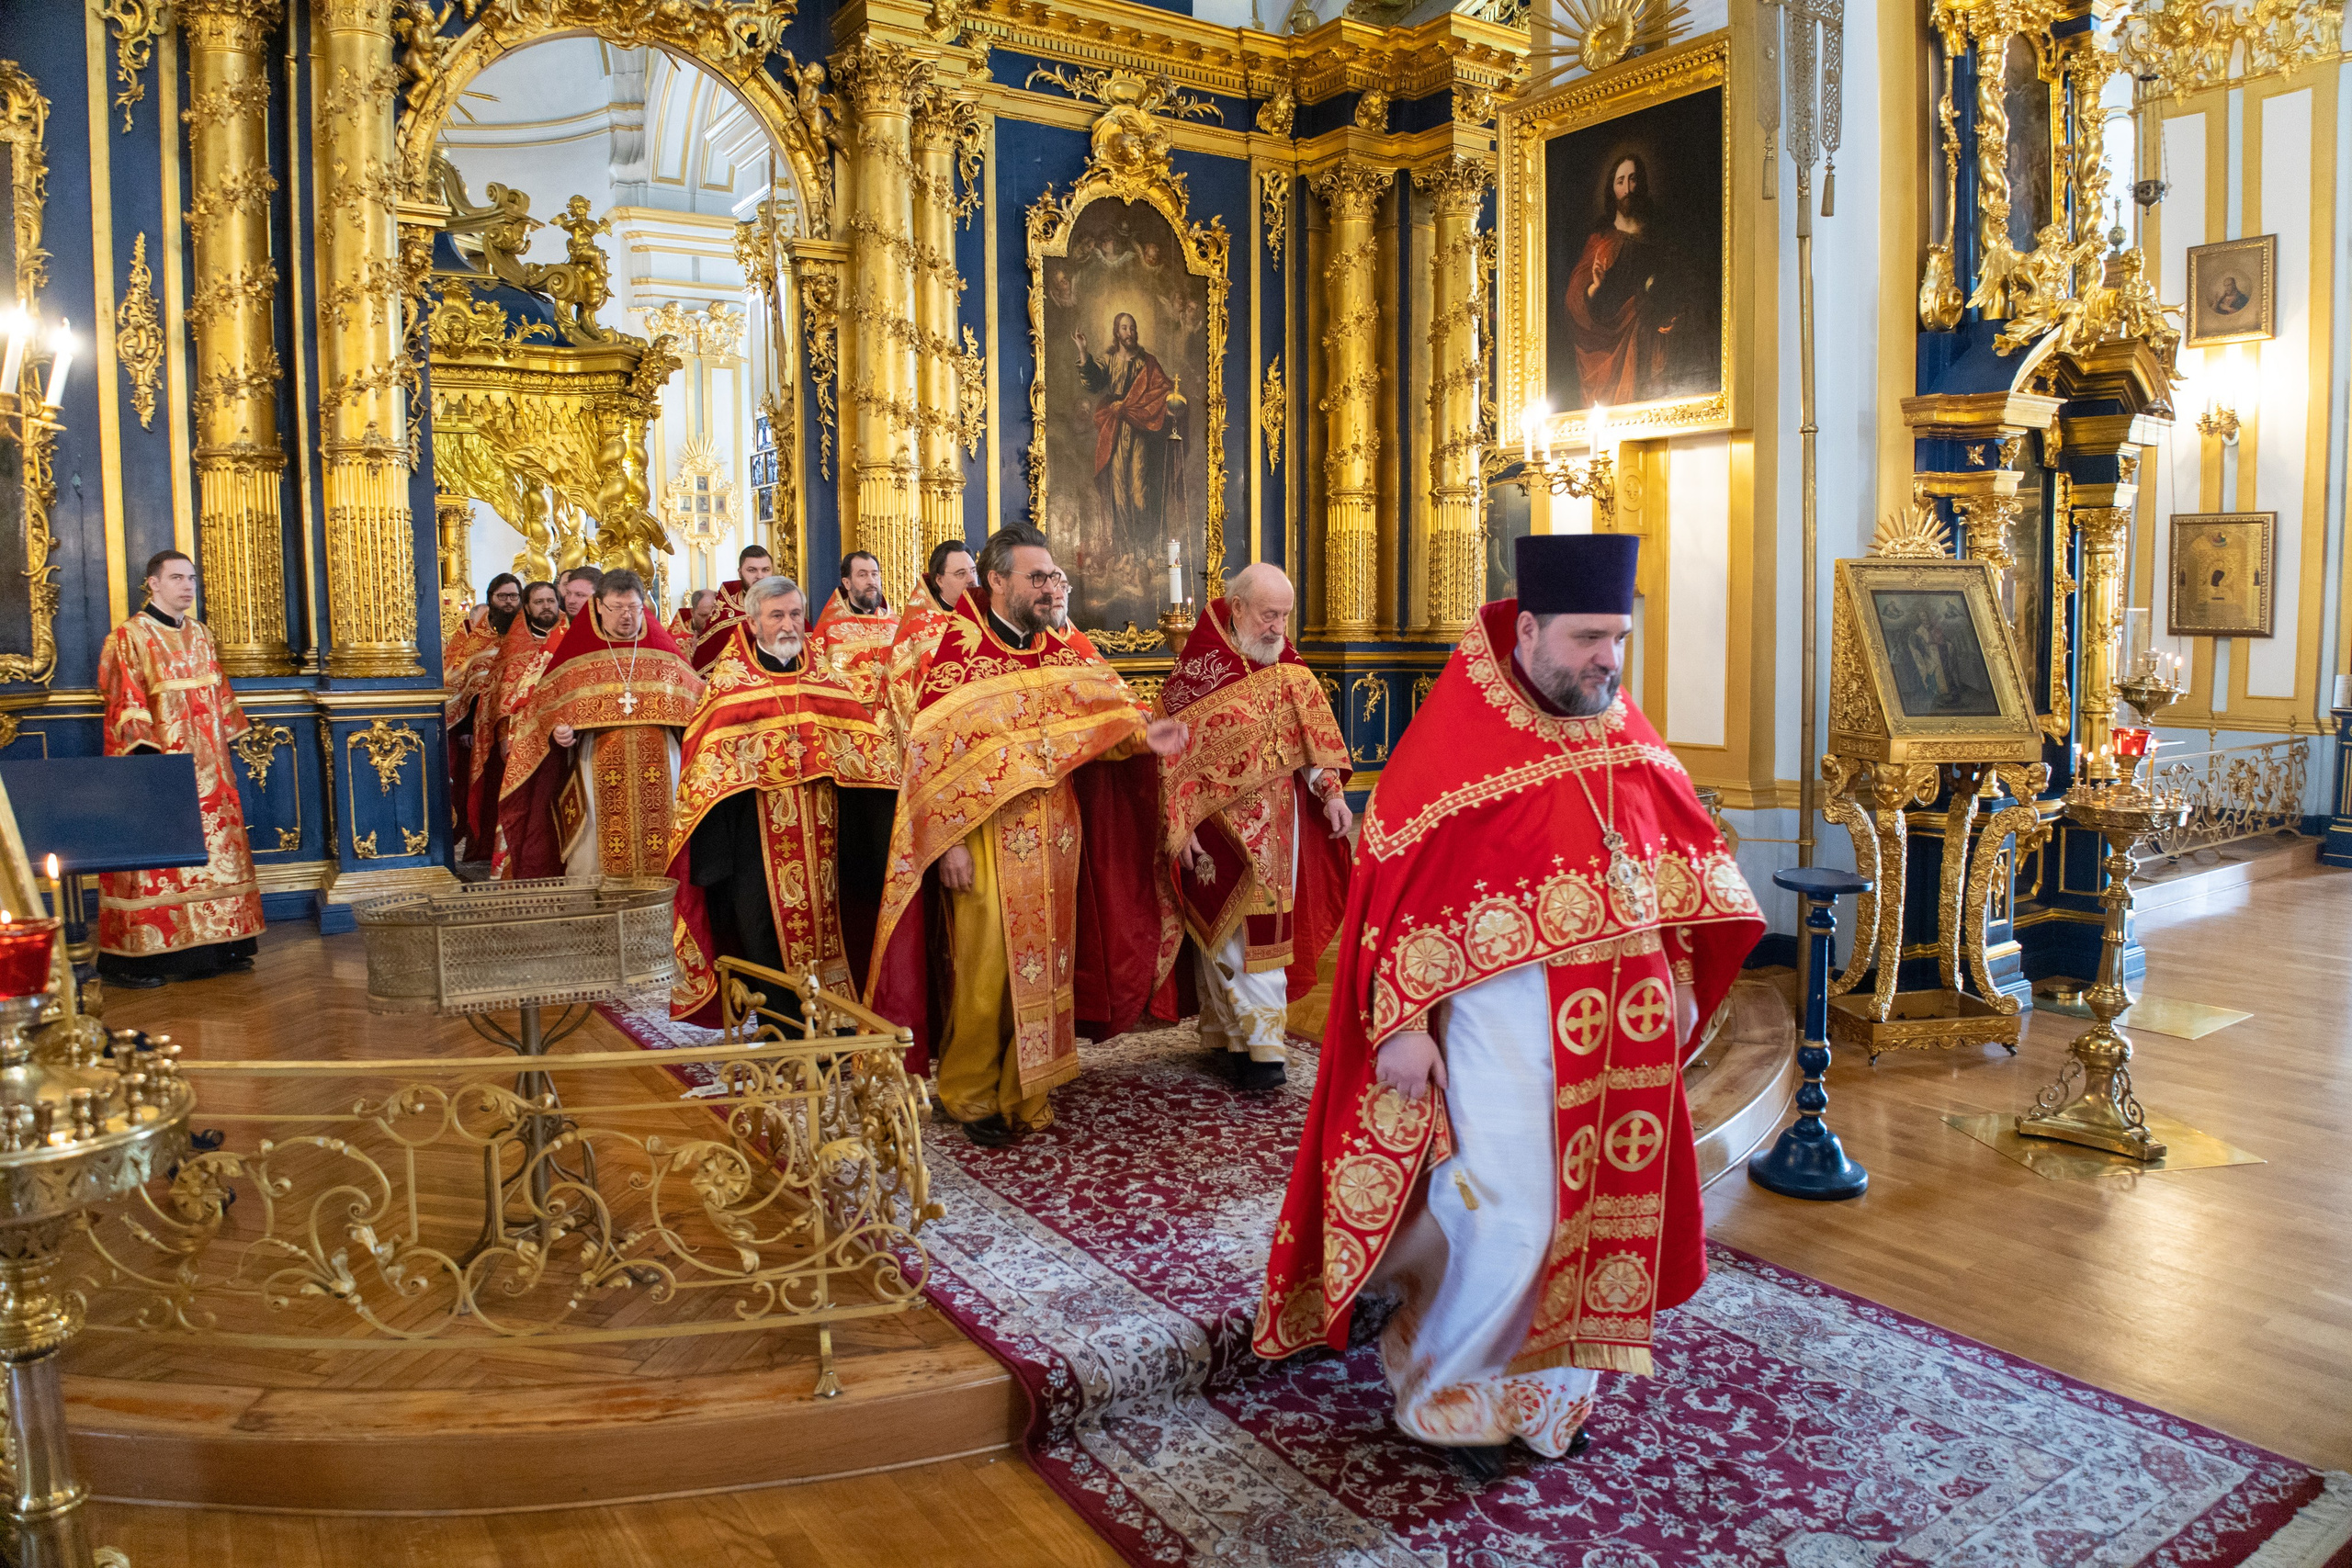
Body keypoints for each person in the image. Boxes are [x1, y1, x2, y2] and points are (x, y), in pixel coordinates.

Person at [1253, 534, 1762, 1483]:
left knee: (1594, 1212)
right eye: (1586, 639)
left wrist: (1686, 975)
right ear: (1527, 631)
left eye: (1618, 637)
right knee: (1510, 1215)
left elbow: (1674, 856)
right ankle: (1449, 1392)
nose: (1607, 658)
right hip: (1500, 1020)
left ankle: (1547, 1399)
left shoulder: (1618, 726)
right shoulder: (1455, 741)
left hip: (1623, 1034)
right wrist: (1403, 1026)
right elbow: (1394, 896)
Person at [866, 525, 1189, 1146]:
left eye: (1054, 577)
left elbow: (1105, 716)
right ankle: (968, 1092)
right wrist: (948, 844)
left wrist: (1142, 736)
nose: (1051, 589)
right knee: (985, 973)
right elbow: (930, 761)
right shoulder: (958, 654)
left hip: (1056, 832)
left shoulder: (1064, 645)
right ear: (996, 581)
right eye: (1037, 578)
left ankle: (1029, 1087)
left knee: (1051, 965)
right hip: (983, 835)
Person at [668, 573, 896, 1026]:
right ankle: (782, 1033)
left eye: (795, 614)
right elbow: (705, 772)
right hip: (754, 843)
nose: (789, 624)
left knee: (833, 927)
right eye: (777, 616)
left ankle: (834, 1027)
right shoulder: (730, 687)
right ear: (753, 623)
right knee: (761, 932)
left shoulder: (825, 679)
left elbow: (867, 752)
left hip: (827, 838)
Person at [1159, 564, 1352, 1091]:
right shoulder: (1194, 675)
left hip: (1279, 832)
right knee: (1220, 938)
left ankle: (1264, 1049)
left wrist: (1332, 794)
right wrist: (1179, 822)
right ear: (1238, 607)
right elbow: (1169, 760)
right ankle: (1230, 1036)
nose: (1277, 628)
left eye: (1285, 616)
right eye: (1269, 615)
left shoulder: (1291, 670)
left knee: (1262, 938)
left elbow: (1314, 742)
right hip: (1214, 827)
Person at [96, 550, 264, 987]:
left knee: (217, 854)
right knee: (161, 860)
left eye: (191, 578)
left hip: (212, 768)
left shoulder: (202, 633)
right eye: (176, 578)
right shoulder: (130, 636)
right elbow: (124, 699)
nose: (187, 586)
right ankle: (136, 962)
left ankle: (217, 948)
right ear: (153, 583)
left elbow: (220, 695)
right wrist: (149, 766)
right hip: (161, 768)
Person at [497, 570, 703, 880]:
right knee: (594, 850)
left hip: (663, 767)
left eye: (633, 607)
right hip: (595, 766)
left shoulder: (666, 655)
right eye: (616, 608)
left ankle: (665, 902)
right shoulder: (577, 654)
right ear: (598, 607)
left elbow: (698, 711)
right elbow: (543, 714)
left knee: (666, 843)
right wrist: (559, 732)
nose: (626, 616)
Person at [1562, 152, 1682, 406]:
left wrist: (1665, 310)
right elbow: (1573, 303)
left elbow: (1677, 291)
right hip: (1607, 345)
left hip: (1648, 341)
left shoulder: (1658, 237)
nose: (1628, 189)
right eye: (1620, 181)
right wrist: (1594, 287)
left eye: (1633, 179)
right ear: (1612, 188)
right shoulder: (1600, 240)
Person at [474, 581, 563, 875]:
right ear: (527, 607)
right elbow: (499, 699)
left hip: (564, 735)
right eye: (539, 602)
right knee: (526, 803)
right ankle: (522, 865)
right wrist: (503, 738)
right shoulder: (515, 645)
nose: (546, 607)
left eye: (551, 601)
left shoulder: (569, 637)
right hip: (522, 738)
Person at [1077, 312, 1183, 535]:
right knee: (1118, 489)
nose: (1130, 333)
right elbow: (1093, 383)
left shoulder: (1147, 363)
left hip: (1140, 427)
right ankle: (1124, 546)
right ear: (1117, 332)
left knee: (1139, 487)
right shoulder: (1108, 361)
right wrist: (1083, 352)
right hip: (1115, 428)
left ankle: (1144, 543)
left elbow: (1163, 388)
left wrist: (1170, 401)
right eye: (1125, 328)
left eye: (1133, 328)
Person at [444, 572, 522, 861]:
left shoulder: (527, 635)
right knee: (489, 790)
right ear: (491, 599)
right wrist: (466, 729)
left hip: (521, 727)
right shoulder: (477, 641)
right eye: (502, 597)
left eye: (513, 596)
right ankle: (486, 849)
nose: (508, 602)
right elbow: (461, 685)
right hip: (481, 732)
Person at [884, 539, 978, 743]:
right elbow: (899, 692)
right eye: (961, 574)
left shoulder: (985, 616)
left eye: (973, 571)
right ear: (940, 580)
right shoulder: (917, 627)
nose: (972, 579)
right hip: (937, 733)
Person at [693, 545, 773, 670]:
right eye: (752, 570)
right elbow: (708, 657)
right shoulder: (725, 608)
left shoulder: (787, 604)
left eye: (765, 570)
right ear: (740, 572)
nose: (760, 576)